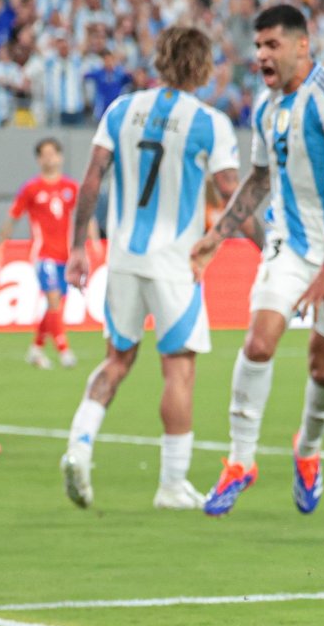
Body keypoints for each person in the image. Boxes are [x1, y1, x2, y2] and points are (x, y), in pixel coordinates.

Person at [192, 4, 324, 516]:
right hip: (290, 241)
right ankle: (240, 461)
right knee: (258, 341)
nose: (260, 56)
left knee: (323, 366)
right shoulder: (266, 106)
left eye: (271, 45)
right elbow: (257, 179)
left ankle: (309, 449)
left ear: (303, 45)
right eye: (257, 46)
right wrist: (217, 235)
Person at [60, 26, 239, 509]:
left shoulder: (122, 110)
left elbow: (93, 176)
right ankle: (172, 485)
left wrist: (78, 246)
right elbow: (232, 193)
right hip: (173, 265)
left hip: (121, 257)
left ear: (160, 60)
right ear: (202, 68)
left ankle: (80, 443)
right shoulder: (208, 122)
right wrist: (269, 248)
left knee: (117, 360)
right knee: (177, 369)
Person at [0, 138, 82, 369]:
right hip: (44, 255)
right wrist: (0, 246)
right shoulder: (31, 188)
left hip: (66, 256)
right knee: (53, 301)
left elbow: (85, 217)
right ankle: (64, 351)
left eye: (53, 153)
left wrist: (91, 243)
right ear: (38, 159)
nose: (49, 158)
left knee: (55, 306)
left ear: (60, 157)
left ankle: (36, 349)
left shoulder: (71, 188)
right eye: (44, 154)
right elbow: (13, 218)